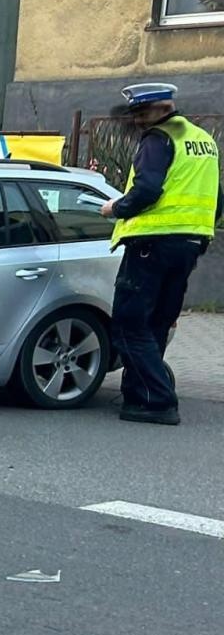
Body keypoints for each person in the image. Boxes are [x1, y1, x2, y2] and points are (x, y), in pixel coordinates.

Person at [98, 82, 221, 425]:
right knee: (156, 323)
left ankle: (158, 399)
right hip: (189, 244)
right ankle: (139, 395)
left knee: (127, 324)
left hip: (152, 243)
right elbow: (217, 196)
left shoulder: (158, 139)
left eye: (141, 113)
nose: (137, 121)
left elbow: (147, 189)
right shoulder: (203, 140)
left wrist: (115, 208)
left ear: (162, 109)